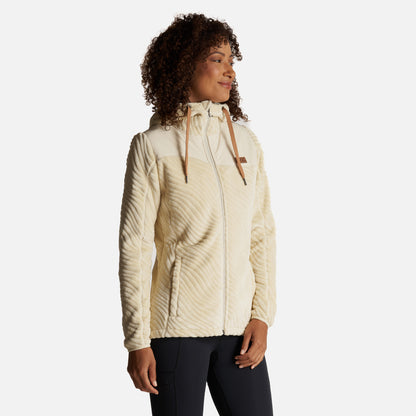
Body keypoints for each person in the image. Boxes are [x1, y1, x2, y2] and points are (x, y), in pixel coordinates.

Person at [118, 12, 277, 416]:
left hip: (240, 332)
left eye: (231, 61)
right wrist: (137, 340)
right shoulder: (153, 146)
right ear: (185, 64)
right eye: (217, 59)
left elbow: (260, 234)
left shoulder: (246, 144)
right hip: (176, 332)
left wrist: (262, 316)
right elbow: (135, 246)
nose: (230, 71)